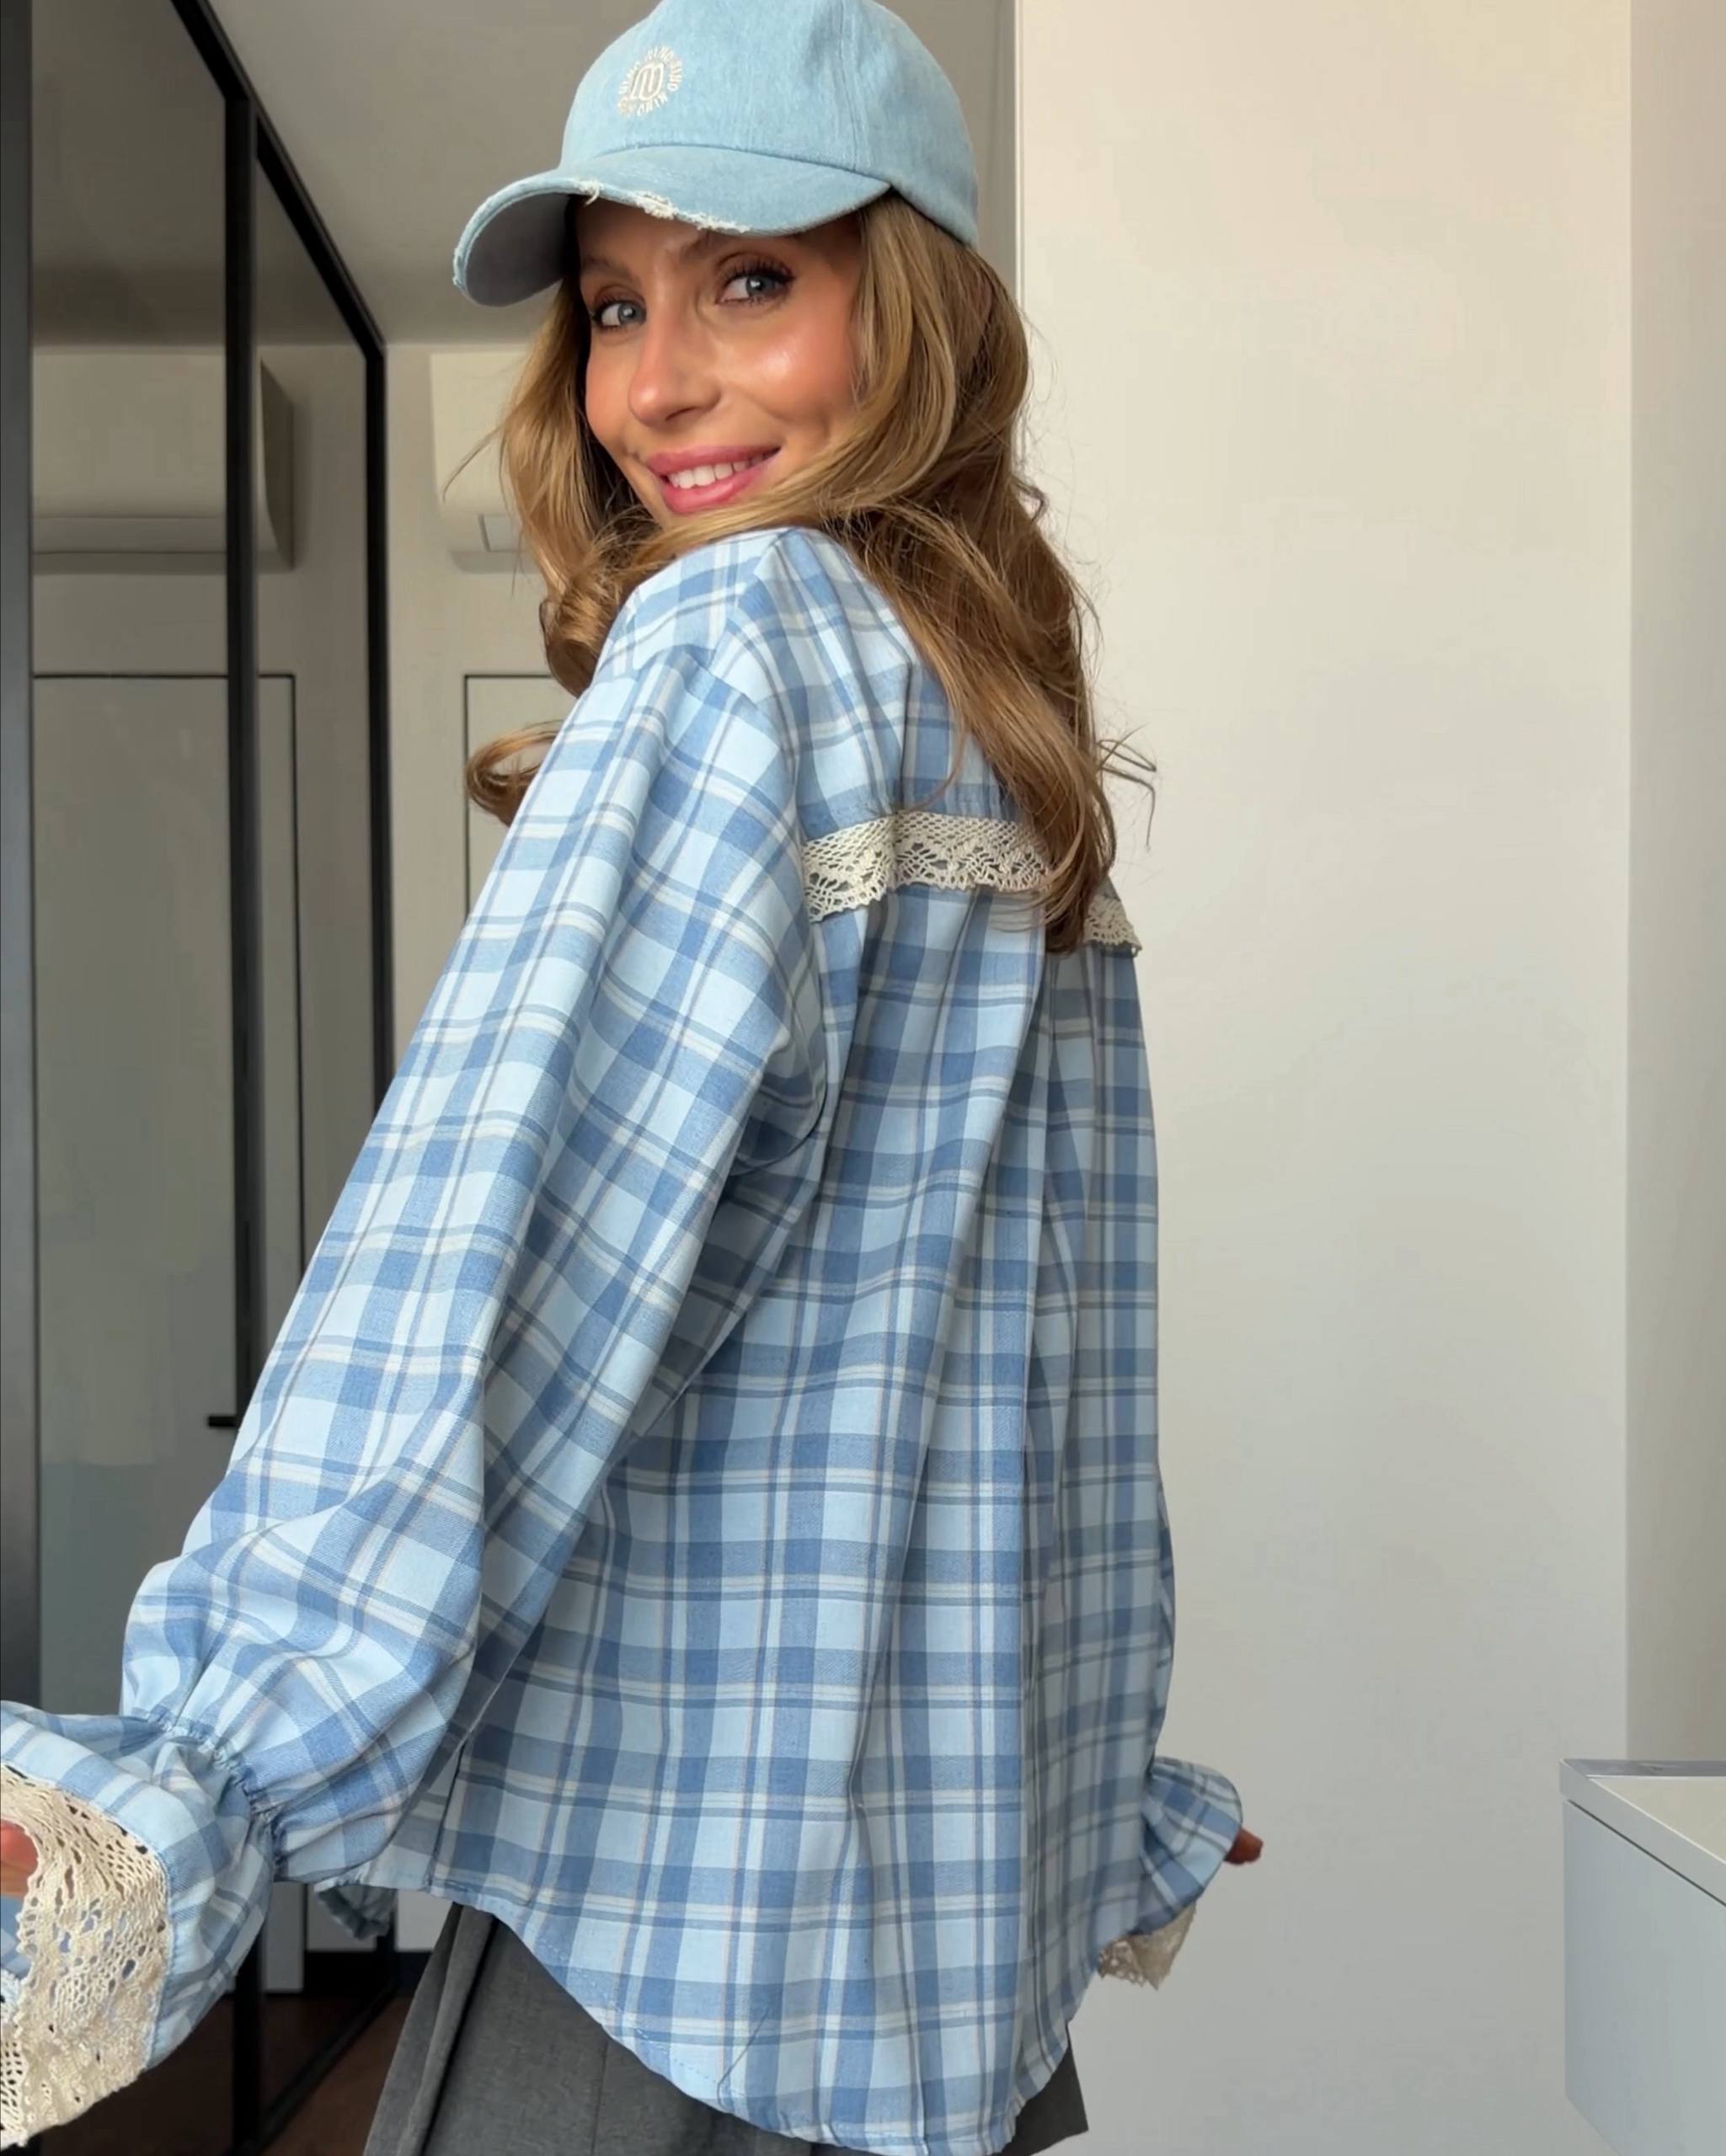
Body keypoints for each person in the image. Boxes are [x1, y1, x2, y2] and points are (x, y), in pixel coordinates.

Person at [0, 2, 1262, 2150]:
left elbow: (486, 1278)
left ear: (919, 305)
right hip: (945, 1958)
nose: (653, 385)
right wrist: (1086, 1775)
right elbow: (1026, 1383)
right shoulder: (998, 728)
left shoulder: (734, 643)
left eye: (748, 280)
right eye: (611, 305)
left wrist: (197, 1771)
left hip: (687, 1948)